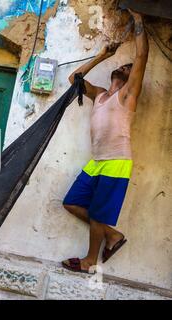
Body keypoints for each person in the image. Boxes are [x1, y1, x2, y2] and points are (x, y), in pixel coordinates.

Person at [62, 9, 149, 273]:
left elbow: (141, 55)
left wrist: (138, 20)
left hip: (117, 161)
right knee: (72, 202)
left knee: (98, 213)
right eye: (122, 66)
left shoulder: (127, 96)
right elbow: (73, 80)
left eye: (128, 68)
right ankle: (112, 235)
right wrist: (103, 55)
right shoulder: (100, 95)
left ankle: (90, 260)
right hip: (98, 161)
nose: (124, 67)